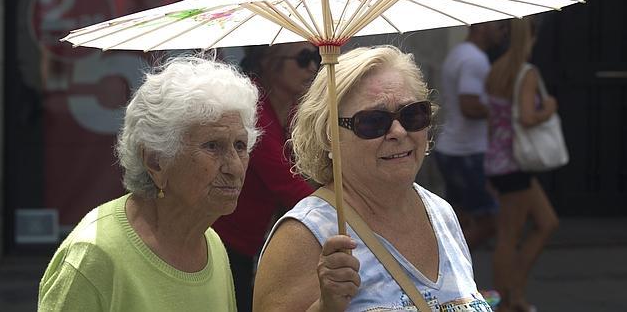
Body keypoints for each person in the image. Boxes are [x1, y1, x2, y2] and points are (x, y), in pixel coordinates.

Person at [254, 45, 493, 311]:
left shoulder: (441, 213)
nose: (398, 132)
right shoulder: (304, 236)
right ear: (329, 137)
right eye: (373, 122)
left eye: (412, 114)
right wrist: (325, 307)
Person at [38, 55, 260, 311]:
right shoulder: (94, 256)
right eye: (213, 146)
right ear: (155, 161)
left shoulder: (211, 244)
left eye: (240, 146)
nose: (234, 167)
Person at [213, 42, 319, 311]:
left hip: (249, 238)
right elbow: (289, 185)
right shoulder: (251, 111)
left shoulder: (292, 107)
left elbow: (313, 164)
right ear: (269, 60)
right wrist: (351, 214)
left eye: (316, 57)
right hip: (225, 240)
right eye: (304, 58)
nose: (313, 67)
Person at [485, 17, 560, 312]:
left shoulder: (496, 70)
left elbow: (493, 121)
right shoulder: (525, 73)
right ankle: (507, 300)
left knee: (546, 222)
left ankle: (514, 292)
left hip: (500, 160)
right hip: (515, 163)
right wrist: (550, 109)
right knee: (509, 235)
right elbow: (528, 118)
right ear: (532, 37)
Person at [434, 20, 507, 249]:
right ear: (481, 26)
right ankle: (449, 269)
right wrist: (502, 109)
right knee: (488, 222)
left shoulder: (459, 53)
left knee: (459, 220)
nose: (503, 32)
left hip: (454, 148)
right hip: (467, 152)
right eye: (499, 26)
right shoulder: (474, 59)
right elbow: (469, 106)